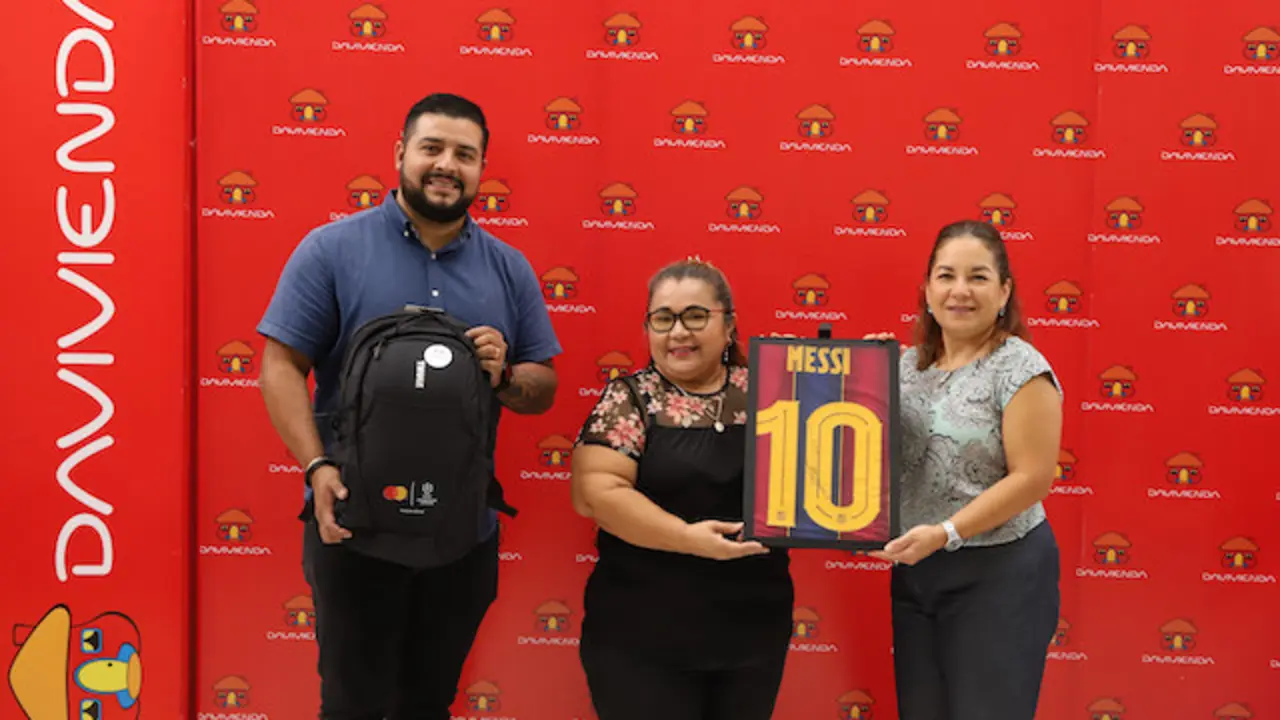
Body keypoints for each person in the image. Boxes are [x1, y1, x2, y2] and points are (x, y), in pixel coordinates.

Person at [256, 92, 562, 720]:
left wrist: (504, 376)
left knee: (429, 704)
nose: (447, 164)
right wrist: (317, 467)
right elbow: (280, 366)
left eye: (465, 154)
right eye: (432, 148)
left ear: (482, 169)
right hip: (354, 529)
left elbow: (543, 384)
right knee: (352, 704)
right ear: (400, 153)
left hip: (462, 538)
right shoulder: (331, 250)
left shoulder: (509, 268)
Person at [569, 257, 795, 720]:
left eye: (695, 316)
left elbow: (840, 456)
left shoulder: (774, 392)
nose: (678, 332)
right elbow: (595, 492)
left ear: (728, 326)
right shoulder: (629, 397)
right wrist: (686, 539)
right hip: (640, 634)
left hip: (752, 630)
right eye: (662, 319)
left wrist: (858, 373)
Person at [865, 219, 1063, 720]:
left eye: (977, 277)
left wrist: (948, 532)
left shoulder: (1021, 369)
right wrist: (853, 377)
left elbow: (1034, 477)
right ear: (927, 289)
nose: (960, 291)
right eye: (946, 276)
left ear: (1004, 291)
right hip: (918, 574)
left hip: (1000, 574)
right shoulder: (907, 367)